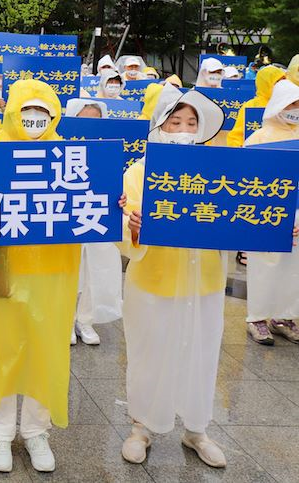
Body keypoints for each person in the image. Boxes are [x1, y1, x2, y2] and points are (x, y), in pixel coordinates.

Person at [0, 80, 96, 474]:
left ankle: (36, 432)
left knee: (45, 350)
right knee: (2, 351)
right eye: (26, 111)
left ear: (54, 116)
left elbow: (90, 211)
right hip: (0, 269)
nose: (34, 119)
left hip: (51, 272)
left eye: (43, 112)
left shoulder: (71, 157)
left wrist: (109, 203)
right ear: (12, 112)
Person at [120, 83, 228, 468]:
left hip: (205, 281)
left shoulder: (219, 170)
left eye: (190, 122)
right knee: (149, 353)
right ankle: (141, 427)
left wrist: (278, 227)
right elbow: (122, 226)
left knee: (201, 353)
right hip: (153, 281)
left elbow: (239, 219)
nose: (183, 128)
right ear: (159, 126)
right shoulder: (138, 172)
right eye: (174, 121)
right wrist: (131, 226)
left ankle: (196, 428)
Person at [242, 78, 299, 344]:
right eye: (291, 104)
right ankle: (257, 318)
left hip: (297, 214)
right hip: (266, 212)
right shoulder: (259, 138)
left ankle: (284, 317)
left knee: (293, 266)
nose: (295, 109)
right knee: (264, 264)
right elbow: (245, 179)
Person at [63, 98, 123, 346]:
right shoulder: (60, 148)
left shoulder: (110, 151)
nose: (90, 127)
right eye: (83, 121)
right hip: (68, 214)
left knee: (94, 269)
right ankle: (65, 320)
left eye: (95, 122)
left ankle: (84, 319)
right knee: (69, 269)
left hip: (98, 214)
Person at [226, 65, 284, 148]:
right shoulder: (251, 106)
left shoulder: (289, 103)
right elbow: (237, 135)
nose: (282, 86)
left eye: (283, 81)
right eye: (277, 82)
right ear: (265, 83)